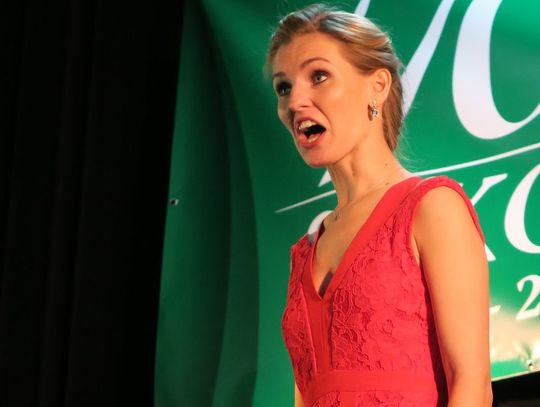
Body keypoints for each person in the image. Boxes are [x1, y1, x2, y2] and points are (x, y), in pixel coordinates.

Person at [265, 4, 492, 407]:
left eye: (318, 76)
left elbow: (471, 384)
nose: (295, 101)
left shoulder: (431, 207)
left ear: (378, 85)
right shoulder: (302, 254)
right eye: (284, 88)